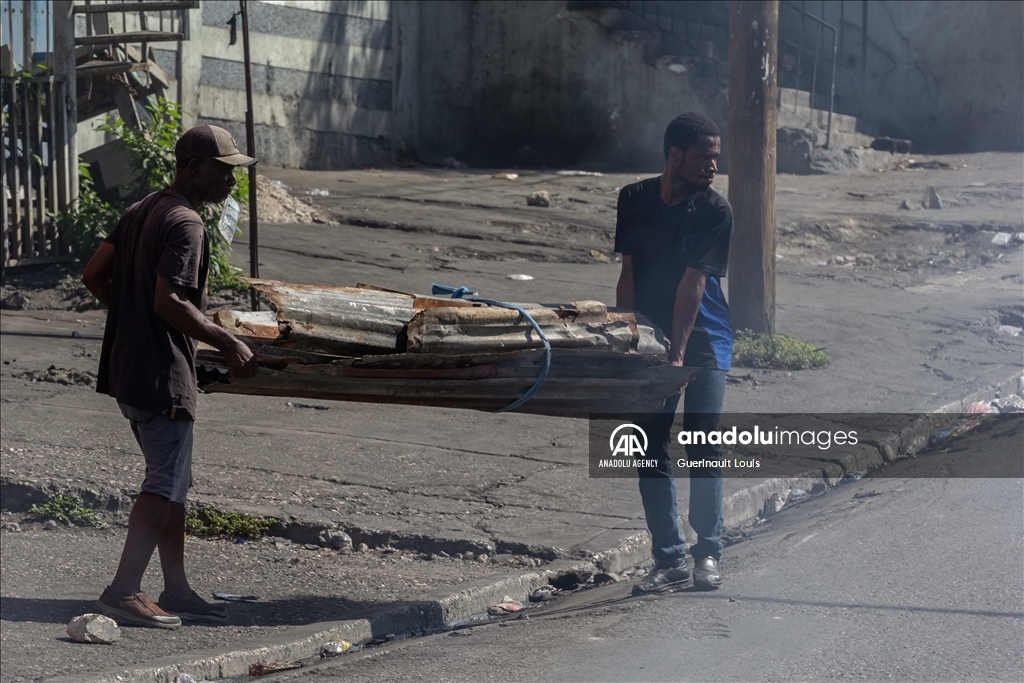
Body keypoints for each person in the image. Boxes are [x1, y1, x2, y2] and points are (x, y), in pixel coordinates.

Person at [82, 124, 260, 628]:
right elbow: (170, 300)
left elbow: (94, 273)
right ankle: (123, 591)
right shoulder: (185, 223)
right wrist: (229, 343)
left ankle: (177, 589)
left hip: (128, 369)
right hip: (162, 375)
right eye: (224, 171)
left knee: (175, 479)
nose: (231, 181)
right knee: (163, 481)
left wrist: (130, 316)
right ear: (193, 168)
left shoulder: (142, 210)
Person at [614, 112, 733, 594]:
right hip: (653, 338)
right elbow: (628, 274)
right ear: (674, 155)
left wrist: (678, 358)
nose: (712, 165)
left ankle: (708, 553)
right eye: (704, 156)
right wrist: (625, 340)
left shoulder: (714, 210)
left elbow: (695, 284)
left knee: (703, 447)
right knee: (649, 447)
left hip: (703, 343)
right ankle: (669, 559)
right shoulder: (634, 199)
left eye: (716, 157)